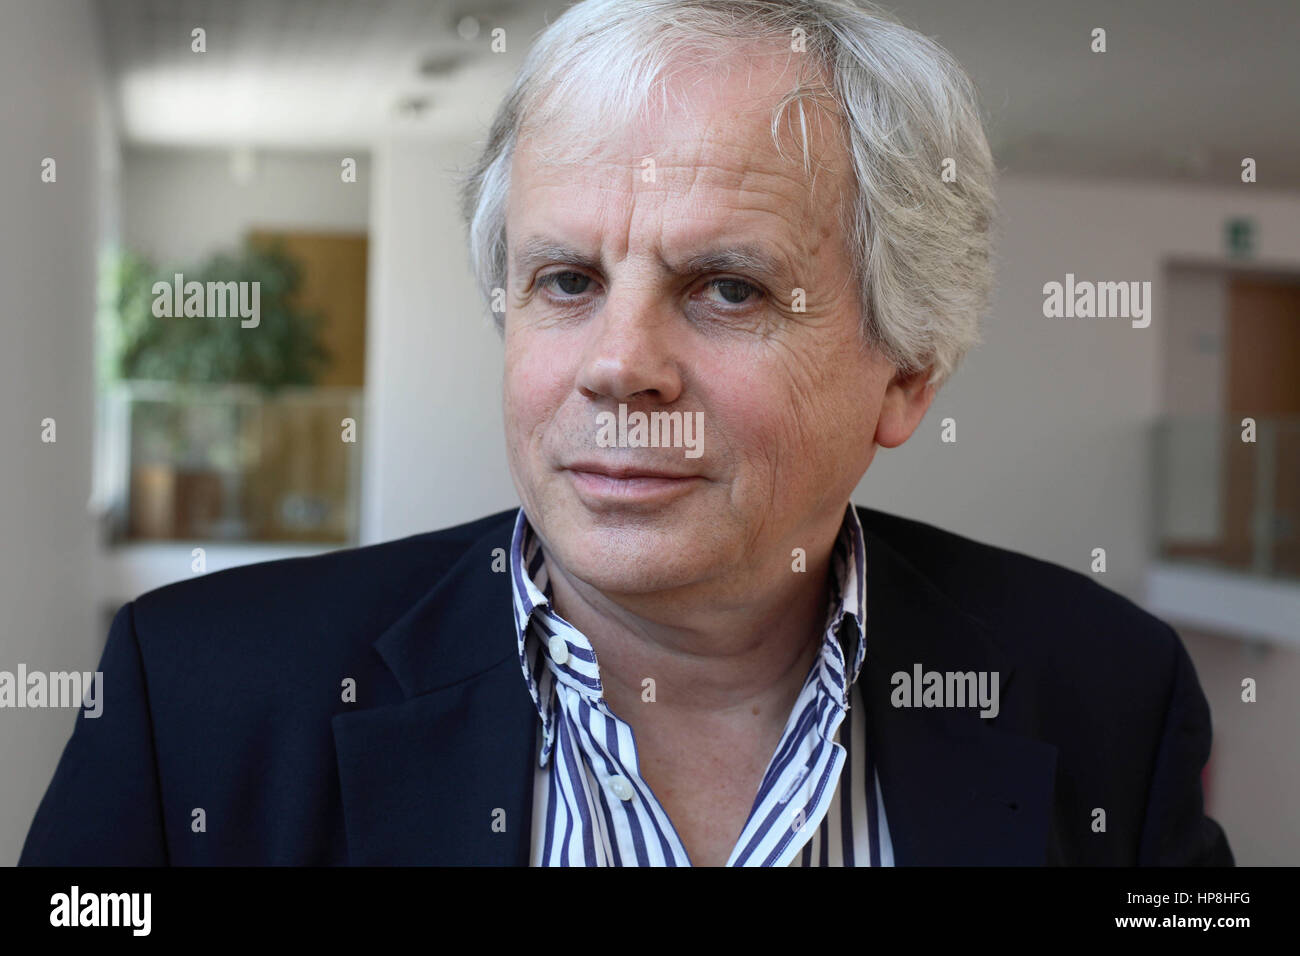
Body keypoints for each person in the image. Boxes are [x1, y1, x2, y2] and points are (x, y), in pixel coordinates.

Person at [21, 0, 1231, 866]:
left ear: (906, 374)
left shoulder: (1107, 696)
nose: (616, 365)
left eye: (726, 288)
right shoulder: (192, 700)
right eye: (564, 280)